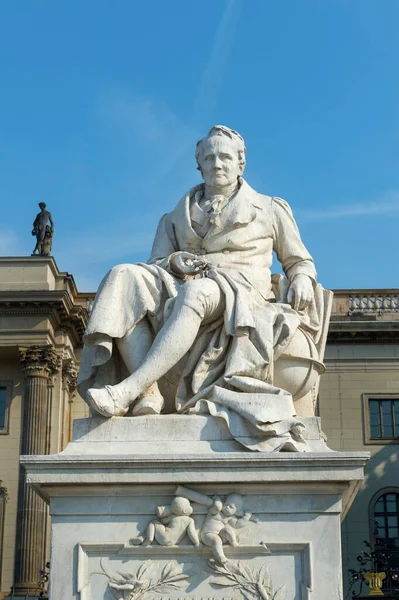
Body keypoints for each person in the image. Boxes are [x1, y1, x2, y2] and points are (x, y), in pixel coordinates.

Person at [78, 125, 321, 451]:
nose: (217, 164)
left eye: (224, 157)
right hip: (184, 283)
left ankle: (129, 388)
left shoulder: (270, 209)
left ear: (240, 163)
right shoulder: (174, 217)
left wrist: (303, 278)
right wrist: (175, 261)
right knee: (123, 276)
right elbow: (156, 263)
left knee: (198, 293)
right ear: (199, 165)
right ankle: (149, 391)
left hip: (243, 292)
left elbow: (299, 261)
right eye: (209, 157)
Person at [131, 496, 200, 547]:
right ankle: (144, 538)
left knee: (153, 522)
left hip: (164, 537)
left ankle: (148, 538)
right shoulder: (190, 520)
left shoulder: (173, 516)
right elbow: (192, 532)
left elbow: (163, 521)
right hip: (173, 542)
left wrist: (166, 514)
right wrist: (197, 543)